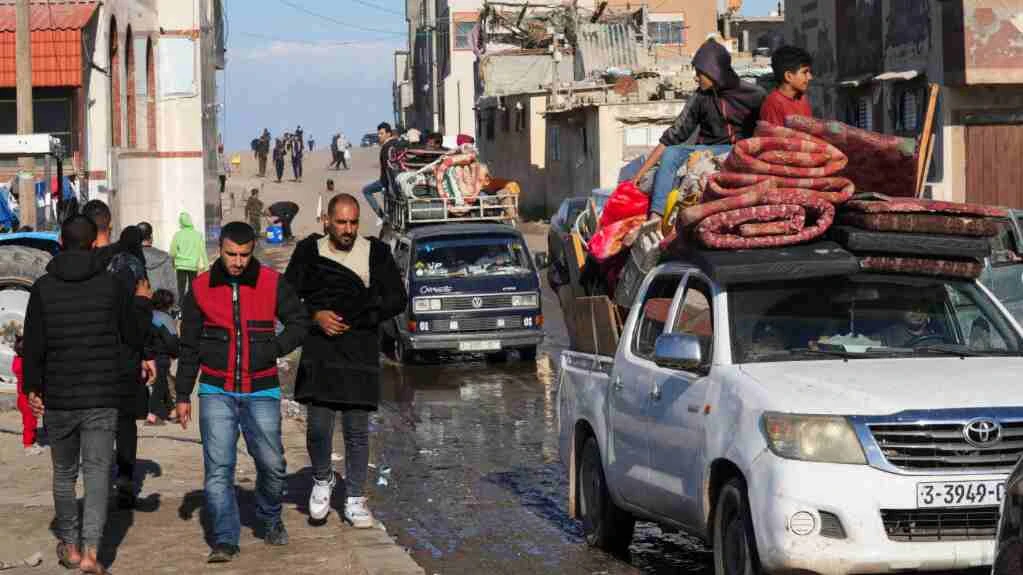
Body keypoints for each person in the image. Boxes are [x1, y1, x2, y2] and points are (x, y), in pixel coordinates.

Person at [173, 222, 310, 563]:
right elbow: (188, 346)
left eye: (244, 255)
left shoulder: (272, 283)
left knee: (273, 464)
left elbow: (299, 323)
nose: (237, 262)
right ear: (220, 249)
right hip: (214, 389)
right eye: (231, 254)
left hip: (262, 389)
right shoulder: (202, 288)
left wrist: (274, 348)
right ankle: (224, 539)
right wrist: (181, 395)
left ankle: (269, 515)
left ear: (253, 252)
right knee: (219, 468)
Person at [23, 214, 152, 574]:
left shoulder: (43, 288)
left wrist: (33, 388)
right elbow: (134, 335)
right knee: (97, 473)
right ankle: (94, 551)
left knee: (64, 473)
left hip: (60, 397)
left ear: (61, 243)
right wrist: (142, 301)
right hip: (101, 395)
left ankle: (71, 545)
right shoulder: (111, 286)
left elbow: (33, 345)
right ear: (94, 242)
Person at [284, 193, 406, 529]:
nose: (348, 229)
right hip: (321, 351)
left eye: (354, 222)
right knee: (319, 427)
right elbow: (287, 296)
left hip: (360, 350)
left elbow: (397, 298)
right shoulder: (310, 251)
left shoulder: (376, 253)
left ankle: (354, 497)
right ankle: (323, 479)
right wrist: (315, 315)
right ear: (327, 222)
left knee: (356, 430)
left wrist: (363, 313)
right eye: (341, 222)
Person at [630, 39, 765, 221]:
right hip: (706, 151)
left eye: (700, 72)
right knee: (671, 153)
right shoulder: (700, 97)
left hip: (739, 151)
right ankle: (656, 216)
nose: (696, 77)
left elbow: (766, 131)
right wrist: (639, 174)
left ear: (714, 71)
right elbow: (673, 135)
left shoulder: (754, 95)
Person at [105, 224, 154, 509]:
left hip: (103, 352)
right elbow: (138, 322)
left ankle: (103, 480)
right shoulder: (137, 268)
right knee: (125, 423)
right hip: (126, 354)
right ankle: (125, 478)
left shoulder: (109, 265)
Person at [759, 45, 814, 126]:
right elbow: (774, 137)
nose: (810, 77)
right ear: (788, 76)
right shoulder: (773, 104)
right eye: (805, 72)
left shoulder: (802, 99)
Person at [147, 289, 179, 424]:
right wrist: (175, 353)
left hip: (148, 355)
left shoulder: (148, 315)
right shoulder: (166, 319)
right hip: (161, 356)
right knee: (160, 385)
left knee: (163, 382)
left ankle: (171, 411)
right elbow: (171, 341)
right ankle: (152, 415)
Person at [13, 334, 44, 455]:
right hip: (26, 398)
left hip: (22, 398)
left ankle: (32, 441)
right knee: (29, 423)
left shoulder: (17, 361)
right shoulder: (25, 366)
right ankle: (28, 445)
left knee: (31, 421)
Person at [362, 122, 397, 226]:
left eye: (381, 134)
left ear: (388, 134)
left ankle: (381, 216)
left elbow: (388, 168)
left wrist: (387, 186)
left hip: (387, 181)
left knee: (366, 190)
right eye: (378, 134)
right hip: (395, 180)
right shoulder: (398, 143)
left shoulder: (386, 147)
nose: (379, 136)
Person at [170, 211, 208, 299]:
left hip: (180, 265)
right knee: (193, 288)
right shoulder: (198, 235)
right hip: (193, 266)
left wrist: (173, 263)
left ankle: (181, 306)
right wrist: (206, 268)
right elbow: (203, 252)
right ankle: (191, 305)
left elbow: (172, 252)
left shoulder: (178, 235)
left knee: (181, 288)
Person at [138, 221, 178, 302]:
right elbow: (173, 286)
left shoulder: (129, 259)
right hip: (162, 306)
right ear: (151, 237)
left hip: (138, 308)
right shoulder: (165, 257)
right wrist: (174, 307)